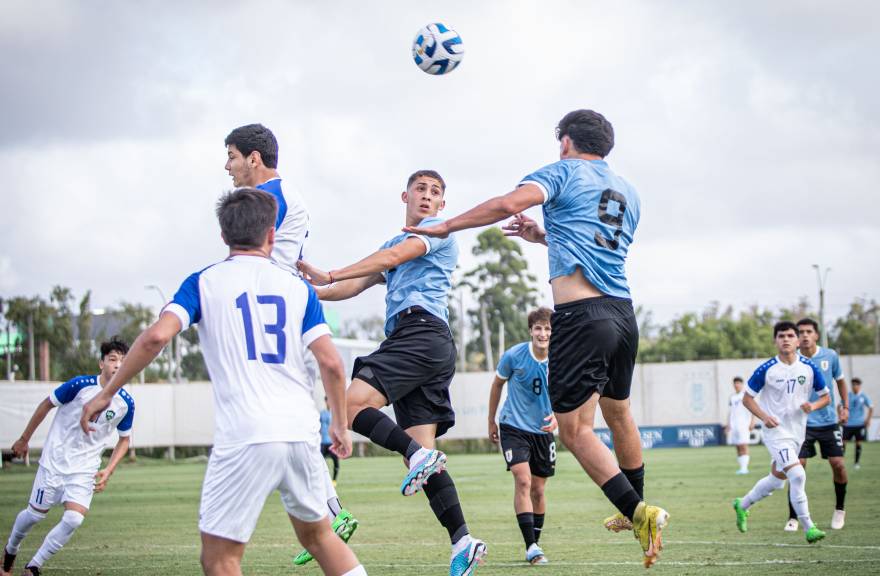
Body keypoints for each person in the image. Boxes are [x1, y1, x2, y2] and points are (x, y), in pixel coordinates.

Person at [404, 109, 668, 567]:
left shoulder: (562, 171)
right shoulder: (629, 192)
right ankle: (633, 505)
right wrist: (543, 236)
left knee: (574, 430)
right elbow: (595, 242)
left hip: (582, 316)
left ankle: (637, 511)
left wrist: (447, 225)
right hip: (623, 312)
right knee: (619, 412)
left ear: (565, 142)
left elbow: (509, 202)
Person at [81, 189, 366, 576]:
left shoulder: (203, 282)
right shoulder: (297, 288)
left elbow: (155, 338)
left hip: (246, 434)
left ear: (223, 236)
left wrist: (107, 393)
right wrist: (339, 425)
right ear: (271, 236)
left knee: (220, 558)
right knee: (319, 538)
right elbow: (331, 363)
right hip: (299, 432)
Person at [297, 170, 488, 576]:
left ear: (441, 205)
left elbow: (389, 261)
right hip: (426, 346)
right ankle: (463, 541)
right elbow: (352, 285)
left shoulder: (437, 231)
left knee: (347, 406)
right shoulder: (394, 242)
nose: (427, 196)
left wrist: (329, 272)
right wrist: (305, 289)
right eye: (421, 189)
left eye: (435, 192)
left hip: (420, 334)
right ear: (405, 195)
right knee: (424, 460)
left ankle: (417, 454)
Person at [223, 124, 359, 565]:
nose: (228, 166)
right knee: (287, 424)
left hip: (281, 320)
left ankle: (328, 517)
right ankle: (326, 516)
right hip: (278, 317)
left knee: (287, 425)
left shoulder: (272, 198)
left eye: (231, 156)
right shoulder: (279, 197)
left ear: (254, 159)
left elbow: (248, 253)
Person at [2, 338, 134, 576]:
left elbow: (124, 440)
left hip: (84, 469)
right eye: (112, 359)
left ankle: (33, 566)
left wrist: (109, 469)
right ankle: (10, 549)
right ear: (101, 363)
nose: (117, 365)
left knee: (74, 519)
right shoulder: (80, 385)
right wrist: (24, 439)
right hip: (54, 463)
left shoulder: (126, 403)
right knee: (33, 515)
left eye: (123, 361)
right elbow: (46, 404)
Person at [732, 321, 828, 544]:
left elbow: (826, 396)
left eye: (790, 335)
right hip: (775, 434)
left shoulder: (809, 367)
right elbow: (747, 398)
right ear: (775, 341)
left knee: (777, 480)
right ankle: (809, 527)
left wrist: (812, 406)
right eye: (781, 336)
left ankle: (742, 504)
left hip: (797, 433)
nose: (786, 339)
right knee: (798, 474)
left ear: (796, 341)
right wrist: (765, 417)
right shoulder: (767, 369)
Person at [488, 307, 557, 565]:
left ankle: (535, 541)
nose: (543, 333)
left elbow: (571, 393)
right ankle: (531, 547)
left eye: (548, 328)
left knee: (538, 490)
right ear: (530, 331)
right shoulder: (514, 356)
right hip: (512, 427)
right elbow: (497, 385)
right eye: (538, 328)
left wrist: (559, 417)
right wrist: (491, 421)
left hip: (542, 431)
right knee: (524, 481)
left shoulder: (560, 359)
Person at [784, 318, 849, 531]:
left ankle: (840, 509)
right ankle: (793, 517)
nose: (804, 335)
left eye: (808, 331)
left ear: (816, 335)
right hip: (801, 425)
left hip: (828, 421)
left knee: (838, 464)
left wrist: (845, 407)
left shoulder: (830, 356)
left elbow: (840, 381)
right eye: (800, 332)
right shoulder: (791, 360)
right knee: (797, 468)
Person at [724, 377, 755, 474]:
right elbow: (730, 412)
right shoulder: (732, 397)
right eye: (735, 383)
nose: (736, 385)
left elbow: (753, 409)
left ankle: (745, 468)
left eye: (738, 383)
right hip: (734, 425)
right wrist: (728, 424)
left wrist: (752, 422)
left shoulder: (745, 396)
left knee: (743, 445)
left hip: (744, 424)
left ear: (742, 384)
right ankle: (741, 467)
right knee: (737, 446)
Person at [843, 378, 872, 470]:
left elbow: (871, 407)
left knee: (858, 443)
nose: (854, 386)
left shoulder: (863, 396)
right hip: (848, 424)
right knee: (843, 443)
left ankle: (856, 463)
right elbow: (840, 405)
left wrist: (868, 420)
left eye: (856, 385)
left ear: (859, 386)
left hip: (859, 424)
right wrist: (841, 416)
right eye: (853, 385)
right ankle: (841, 462)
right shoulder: (848, 395)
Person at [321, 398, 340, 484]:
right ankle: (322, 480)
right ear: (325, 402)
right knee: (320, 463)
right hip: (323, 443)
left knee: (336, 462)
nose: (328, 402)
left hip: (333, 443)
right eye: (327, 400)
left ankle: (334, 480)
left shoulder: (335, 414)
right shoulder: (322, 414)